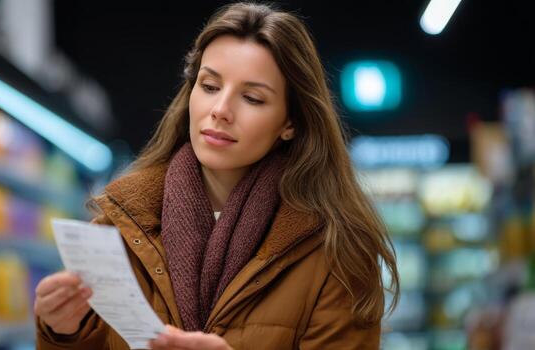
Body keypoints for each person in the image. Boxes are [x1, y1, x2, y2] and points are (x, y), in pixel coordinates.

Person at [34, 2, 399, 349]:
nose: (220, 110)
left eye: (252, 98)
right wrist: (65, 334)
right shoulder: (118, 229)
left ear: (290, 122)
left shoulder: (337, 250)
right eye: (209, 87)